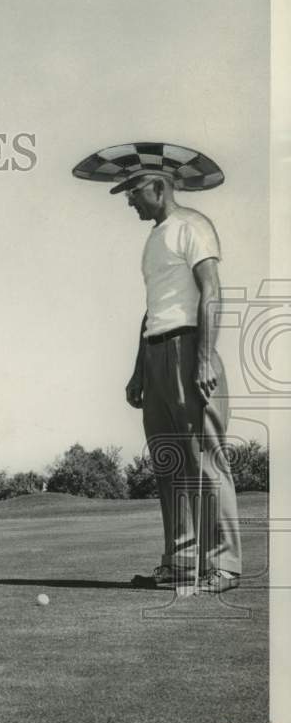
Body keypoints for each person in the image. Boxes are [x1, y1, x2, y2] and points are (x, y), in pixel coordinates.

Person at [75, 142, 240, 593]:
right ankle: (182, 563)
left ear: (157, 185)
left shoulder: (193, 226)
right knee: (169, 464)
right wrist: (138, 370)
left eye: (132, 190)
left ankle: (223, 566)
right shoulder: (154, 238)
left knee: (204, 459)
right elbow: (153, 310)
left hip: (189, 349)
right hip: (156, 353)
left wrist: (204, 357)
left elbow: (211, 292)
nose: (128, 199)